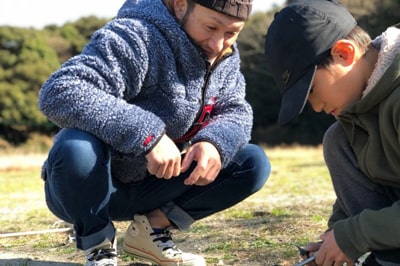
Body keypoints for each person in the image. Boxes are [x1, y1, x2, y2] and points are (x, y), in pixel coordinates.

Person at [38, 0, 271, 265]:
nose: (217, 44)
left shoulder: (225, 56)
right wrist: (148, 136)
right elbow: (61, 90)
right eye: (210, 27)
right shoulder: (133, 35)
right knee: (75, 146)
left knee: (251, 162)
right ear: (181, 5)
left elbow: (236, 111)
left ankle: (150, 230)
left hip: (156, 185)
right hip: (89, 185)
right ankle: (99, 245)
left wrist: (214, 142)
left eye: (231, 32)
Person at [264, 0, 400, 265]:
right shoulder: (357, 113)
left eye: (311, 90)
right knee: (336, 138)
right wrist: (336, 235)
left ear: (344, 54)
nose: (315, 107)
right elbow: (367, 184)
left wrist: (355, 235)